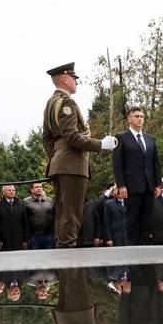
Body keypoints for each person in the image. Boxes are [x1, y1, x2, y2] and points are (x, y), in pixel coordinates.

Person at [41, 62, 117, 248]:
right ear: (65, 78)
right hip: (72, 167)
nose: (76, 82)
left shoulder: (51, 103)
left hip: (61, 165)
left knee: (63, 212)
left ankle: (63, 253)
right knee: (71, 213)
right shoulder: (66, 102)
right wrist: (101, 145)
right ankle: (68, 259)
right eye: (74, 78)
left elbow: (47, 139)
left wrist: (56, 158)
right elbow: (73, 137)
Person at [112, 106, 162, 245]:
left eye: (142, 116)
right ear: (129, 118)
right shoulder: (121, 137)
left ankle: (144, 251)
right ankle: (131, 252)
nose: (140, 119)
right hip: (131, 186)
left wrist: (158, 184)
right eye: (136, 116)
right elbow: (117, 164)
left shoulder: (150, 138)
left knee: (146, 221)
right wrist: (121, 185)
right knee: (132, 221)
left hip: (149, 186)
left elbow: (155, 163)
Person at [0, 184, 29, 251]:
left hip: (19, 239)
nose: (12, 191)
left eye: (13, 190)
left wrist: (25, 240)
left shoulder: (21, 204)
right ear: (3, 192)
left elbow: (25, 223)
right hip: (4, 240)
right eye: (9, 190)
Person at [25, 182, 56, 249]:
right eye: (36, 187)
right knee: (35, 256)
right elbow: (24, 220)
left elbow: (54, 216)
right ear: (31, 190)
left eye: (40, 187)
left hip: (49, 235)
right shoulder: (26, 202)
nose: (39, 189)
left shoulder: (49, 200)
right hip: (34, 235)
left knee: (50, 255)